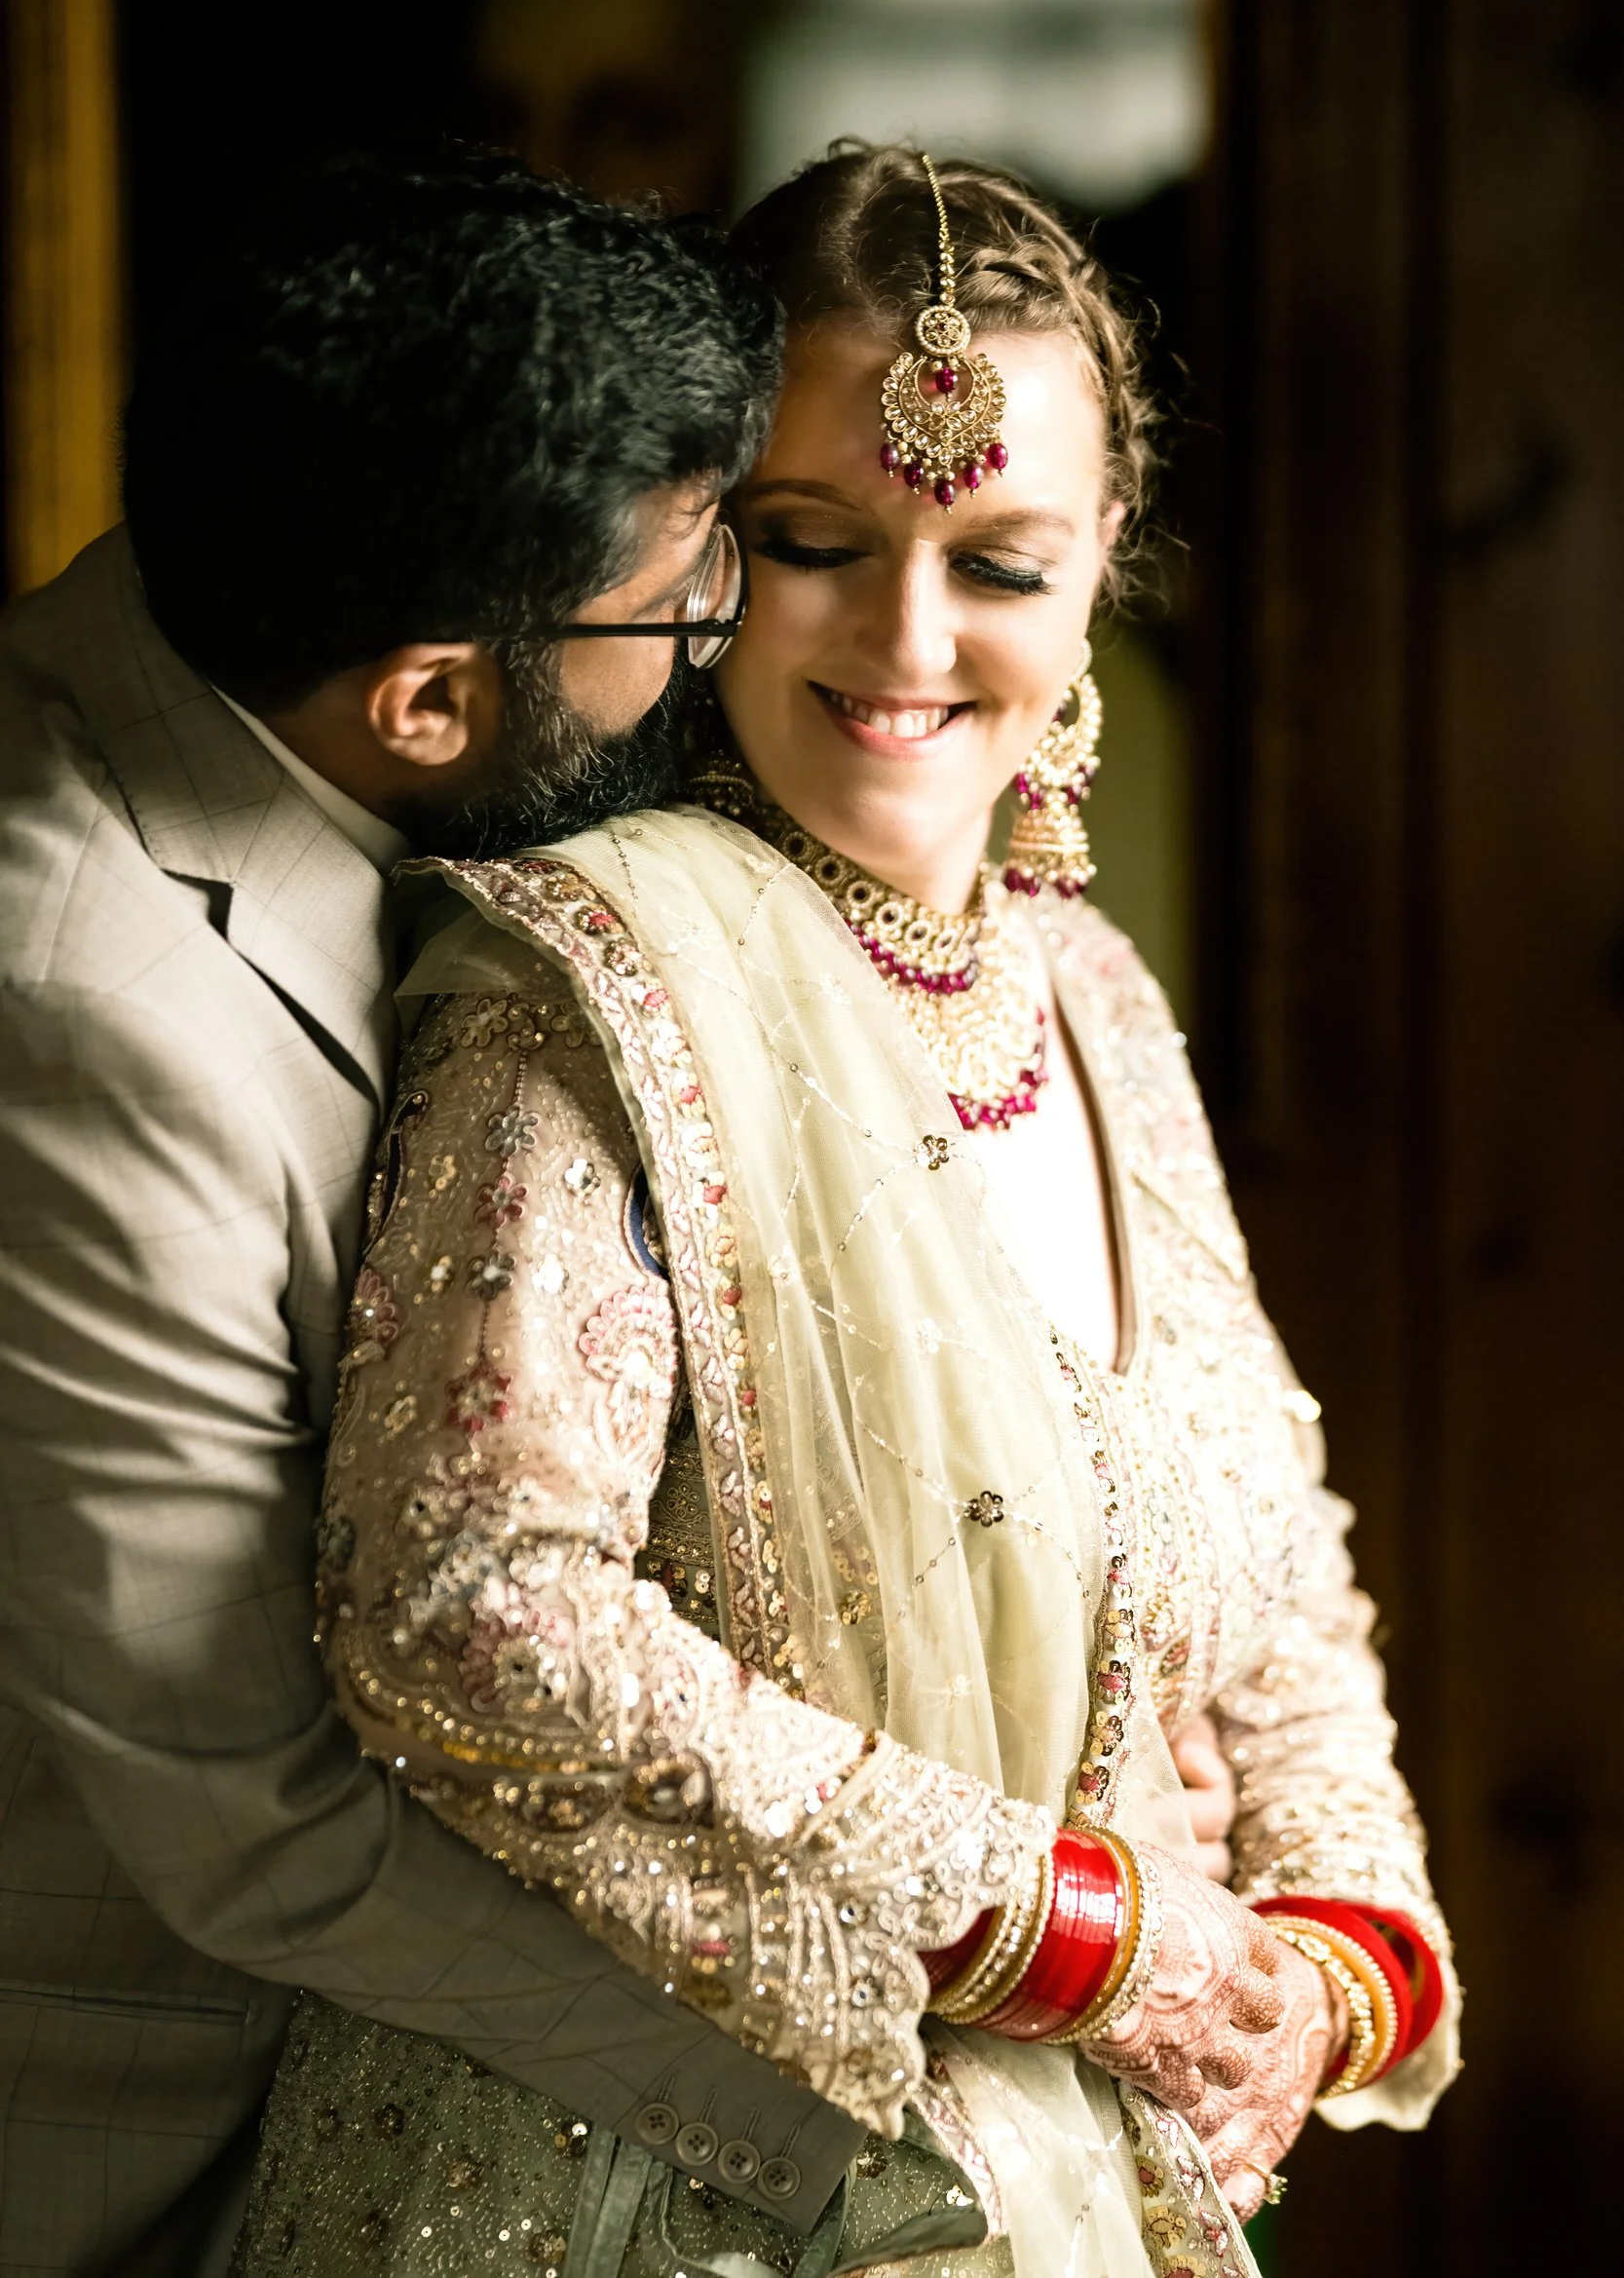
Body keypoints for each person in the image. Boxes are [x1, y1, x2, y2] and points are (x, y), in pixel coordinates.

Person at [232, 148, 1457, 2277]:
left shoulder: (1081, 992)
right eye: (814, 543)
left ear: (1097, 579)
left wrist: (1322, 1963)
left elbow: (1267, 1541)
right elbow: (471, 1609)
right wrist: (1083, 1936)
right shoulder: (588, 987)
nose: (905, 640)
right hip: (637, 2181)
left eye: (997, 560)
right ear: (703, 551)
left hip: (1069, 2174)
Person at [0, 145, 894, 2278]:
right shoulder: (89, 1011)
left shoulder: (252, 600)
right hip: (136, 2134)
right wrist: (843, 2117)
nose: (717, 645)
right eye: (681, 603)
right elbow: (252, 1827)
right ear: (419, 699)